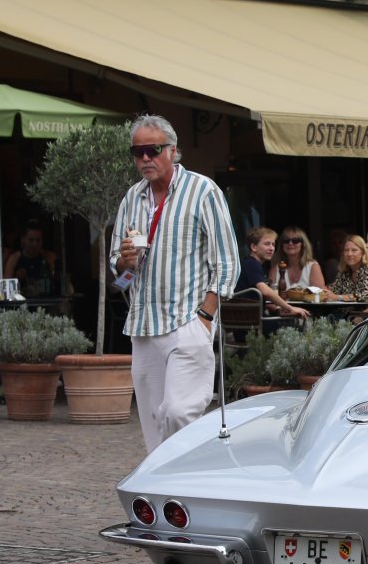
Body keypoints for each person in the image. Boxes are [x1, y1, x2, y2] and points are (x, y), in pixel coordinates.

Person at [110, 113, 241, 453]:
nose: (145, 158)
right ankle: (166, 483)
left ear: (172, 150)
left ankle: (193, 472)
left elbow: (227, 261)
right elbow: (118, 272)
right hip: (143, 325)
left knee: (179, 413)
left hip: (187, 320)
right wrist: (124, 261)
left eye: (152, 150)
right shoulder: (131, 198)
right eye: (137, 152)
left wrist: (206, 316)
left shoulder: (202, 191)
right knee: (153, 424)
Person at [236, 227, 309, 320]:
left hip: (251, 318)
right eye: (267, 244)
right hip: (250, 321)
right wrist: (290, 308)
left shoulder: (253, 263)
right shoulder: (252, 264)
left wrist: (278, 309)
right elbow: (265, 291)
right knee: (293, 323)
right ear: (254, 247)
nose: (271, 248)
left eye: (273, 244)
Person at [3, 225, 59, 298]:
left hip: (46, 299)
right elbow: (6, 287)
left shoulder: (49, 256)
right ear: (23, 240)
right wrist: (16, 277)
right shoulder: (14, 258)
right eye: (31, 240)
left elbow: (58, 279)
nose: (34, 244)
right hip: (22, 301)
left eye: (38, 240)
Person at [324, 234, 368, 302]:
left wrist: (338, 297)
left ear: (363, 252)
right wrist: (323, 291)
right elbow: (334, 290)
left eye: (354, 250)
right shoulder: (344, 272)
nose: (349, 254)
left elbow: (366, 295)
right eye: (346, 250)